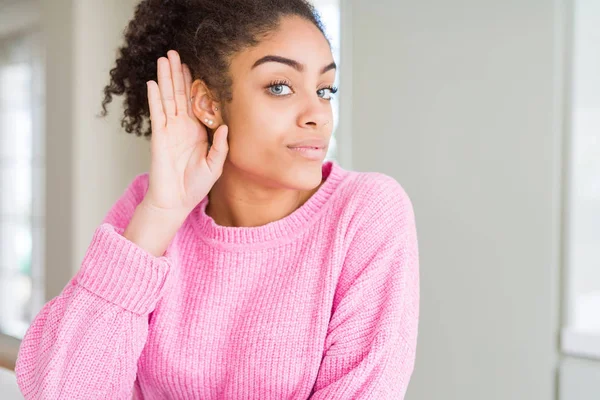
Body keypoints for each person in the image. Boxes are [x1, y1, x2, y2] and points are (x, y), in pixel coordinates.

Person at [14, 0, 420, 398]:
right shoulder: (149, 207)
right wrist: (161, 215)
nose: (318, 114)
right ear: (208, 104)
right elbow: (59, 390)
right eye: (280, 87)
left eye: (325, 89)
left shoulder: (365, 213)